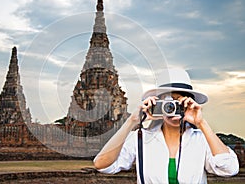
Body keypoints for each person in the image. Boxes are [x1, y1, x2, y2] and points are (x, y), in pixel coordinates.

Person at [93, 68, 239, 184]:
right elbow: (101, 164)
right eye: (168, 103)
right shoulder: (141, 138)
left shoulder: (201, 141)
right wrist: (132, 121)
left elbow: (229, 168)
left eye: (179, 102)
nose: (173, 108)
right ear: (157, 104)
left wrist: (201, 123)